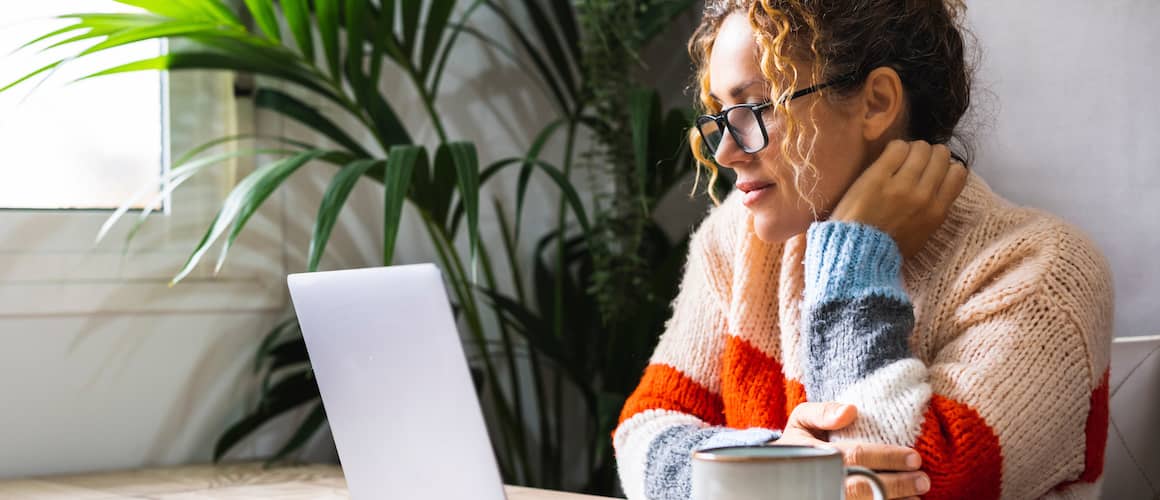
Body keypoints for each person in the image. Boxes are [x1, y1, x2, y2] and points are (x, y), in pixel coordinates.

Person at [611, 1, 1114, 499]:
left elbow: (907, 487)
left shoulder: (1043, 271)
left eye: (757, 107)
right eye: (722, 115)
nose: (724, 150)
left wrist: (854, 257)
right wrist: (780, 459)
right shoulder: (734, 242)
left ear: (875, 102)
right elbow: (641, 432)